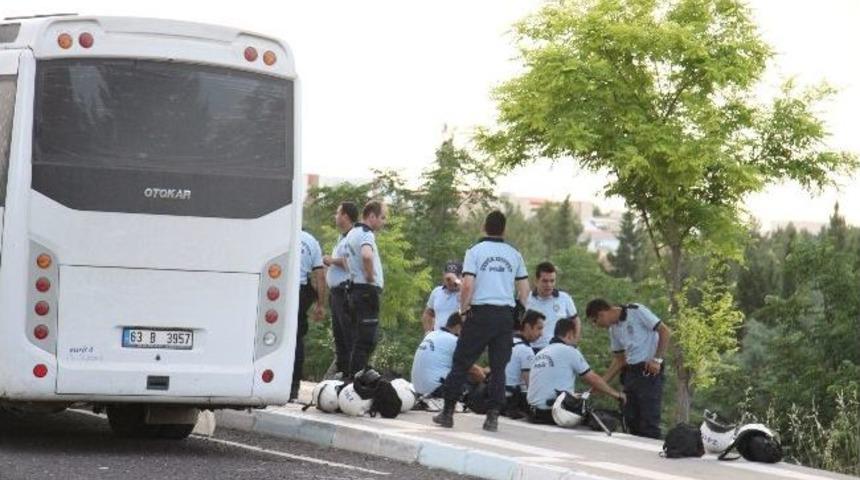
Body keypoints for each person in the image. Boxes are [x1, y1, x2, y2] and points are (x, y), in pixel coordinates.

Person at [433, 210, 530, 432]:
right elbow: (524, 290)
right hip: (504, 316)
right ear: (504, 229)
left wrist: (464, 310)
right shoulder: (515, 254)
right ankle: (493, 416)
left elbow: (467, 285)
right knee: (498, 368)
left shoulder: (474, 251)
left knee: (461, 363)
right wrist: (520, 315)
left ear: (484, 227)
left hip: (480, 314)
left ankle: (447, 413)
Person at [585, 299, 672, 439]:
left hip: (648, 370)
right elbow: (620, 360)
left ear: (601, 314)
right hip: (631, 373)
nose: (596, 325)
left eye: (595, 321)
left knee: (648, 420)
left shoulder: (636, 311)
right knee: (630, 418)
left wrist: (657, 360)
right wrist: (601, 383)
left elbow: (665, 331)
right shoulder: (613, 329)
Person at [527, 318, 626, 424]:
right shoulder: (569, 351)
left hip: (534, 413)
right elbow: (592, 379)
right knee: (606, 421)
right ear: (570, 334)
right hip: (555, 414)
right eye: (576, 335)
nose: (577, 339)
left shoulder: (541, 353)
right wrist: (617, 395)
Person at [344, 200, 386, 376]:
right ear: (372, 216)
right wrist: (370, 276)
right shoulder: (366, 234)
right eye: (382, 217)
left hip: (354, 290)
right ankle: (357, 381)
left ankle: (351, 377)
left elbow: (346, 260)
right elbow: (367, 255)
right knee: (367, 340)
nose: (384, 222)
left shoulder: (351, 233)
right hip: (366, 291)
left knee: (357, 338)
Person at [322, 201, 359, 377]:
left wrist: (331, 261)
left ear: (345, 215)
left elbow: (351, 263)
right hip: (335, 293)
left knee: (347, 336)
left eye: (338, 212)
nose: (335, 216)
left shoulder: (353, 237)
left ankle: (351, 376)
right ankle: (343, 374)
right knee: (339, 338)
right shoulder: (341, 237)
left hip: (345, 292)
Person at [410, 312, 486, 398]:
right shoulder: (454, 341)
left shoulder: (432, 334)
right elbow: (475, 372)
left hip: (418, 389)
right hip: (436, 390)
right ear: (458, 327)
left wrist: (482, 370)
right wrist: (486, 379)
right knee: (475, 384)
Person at [293, 229, 326, 400]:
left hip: (278, 289)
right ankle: (293, 387)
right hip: (299, 293)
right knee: (297, 339)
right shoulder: (311, 241)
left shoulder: (282, 231)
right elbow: (320, 276)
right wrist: (321, 304)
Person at [526, 262, 579, 351]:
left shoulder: (564, 298)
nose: (549, 285)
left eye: (552, 281)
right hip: (533, 349)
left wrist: (574, 342)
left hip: (559, 349)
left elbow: (576, 320)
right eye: (545, 281)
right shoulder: (527, 299)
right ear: (536, 281)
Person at [503, 309, 545, 419]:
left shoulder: (508, 341)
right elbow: (530, 383)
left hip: (497, 394)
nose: (541, 334)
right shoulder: (525, 350)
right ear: (527, 327)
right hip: (511, 399)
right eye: (539, 328)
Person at [421, 261, 463, 333]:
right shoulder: (437, 292)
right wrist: (428, 332)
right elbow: (428, 313)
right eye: (448, 279)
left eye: (453, 278)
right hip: (438, 337)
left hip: (458, 337)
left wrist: (456, 281)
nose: (450, 281)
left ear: (461, 276)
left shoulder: (465, 292)